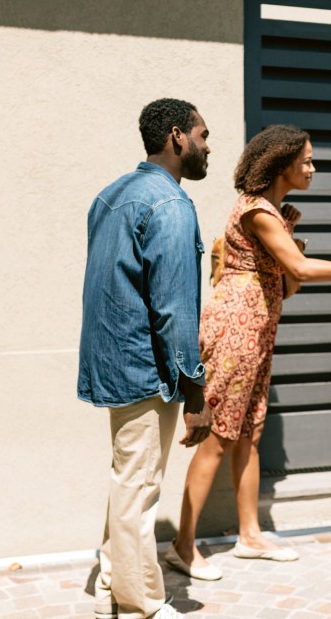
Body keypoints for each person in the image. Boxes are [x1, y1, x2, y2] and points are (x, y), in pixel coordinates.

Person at [165, 124, 331, 581]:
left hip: (257, 328)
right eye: (306, 160)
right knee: (218, 439)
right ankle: (182, 545)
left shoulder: (273, 210)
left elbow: (288, 276)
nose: (313, 168)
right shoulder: (258, 212)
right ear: (280, 164)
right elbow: (299, 269)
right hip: (236, 329)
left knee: (249, 433)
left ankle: (250, 536)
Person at [78, 98, 215, 619]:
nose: (207, 147)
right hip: (145, 369)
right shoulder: (171, 206)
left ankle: (112, 587)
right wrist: (195, 390)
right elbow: (175, 310)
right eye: (203, 136)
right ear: (178, 137)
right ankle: (142, 606)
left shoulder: (111, 195)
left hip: (113, 361)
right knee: (139, 490)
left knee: (127, 480)